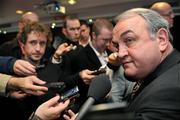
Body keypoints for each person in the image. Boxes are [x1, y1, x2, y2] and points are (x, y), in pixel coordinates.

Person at [112, 8, 180, 119]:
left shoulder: (169, 92)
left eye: (129, 40)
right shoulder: (155, 73)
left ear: (161, 39)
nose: (120, 54)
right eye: (116, 46)